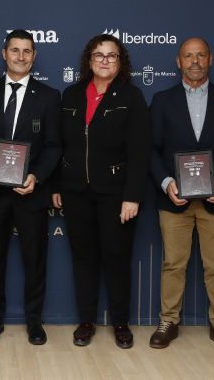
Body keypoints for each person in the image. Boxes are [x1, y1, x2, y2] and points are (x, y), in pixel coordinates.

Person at [148, 37, 214, 354]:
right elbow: (150, 149)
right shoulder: (162, 100)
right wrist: (166, 182)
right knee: (173, 264)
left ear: (210, 59)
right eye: (188, 56)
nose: (194, 61)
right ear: (178, 62)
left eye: (200, 55)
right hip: (174, 199)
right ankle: (169, 322)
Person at [52, 34, 150, 349]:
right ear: (89, 60)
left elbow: (140, 152)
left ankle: (121, 323)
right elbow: (59, 145)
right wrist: (56, 185)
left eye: (111, 55)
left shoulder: (132, 97)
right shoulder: (71, 94)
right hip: (75, 191)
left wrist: (132, 196)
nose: (104, 60)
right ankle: (86, 322)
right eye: (99, 55)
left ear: (120, 62)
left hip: (116, 194)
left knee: (117, 259)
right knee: (83, 260)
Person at [0, 30, 61, 345]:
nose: (21, 56)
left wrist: (36, 175)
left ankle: (34, 321)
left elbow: (53, 146)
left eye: (27, 51)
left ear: (34, 56)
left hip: (30, 193)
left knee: (34, 260)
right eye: (15, 50)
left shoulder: (49, 96)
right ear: (4, 53)